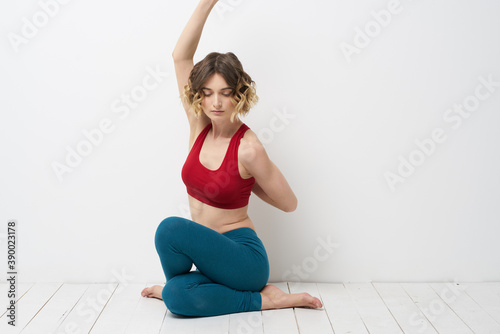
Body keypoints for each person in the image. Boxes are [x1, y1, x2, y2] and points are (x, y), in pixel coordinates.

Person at [141, 0, 322, 317]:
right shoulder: (199, 126)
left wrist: (247, 180)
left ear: (239, 94)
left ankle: (267, 299)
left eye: (225, 92)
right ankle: (179, 287)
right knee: (175, 298)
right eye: (208, 93)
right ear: (199, 95)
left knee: (169, 230)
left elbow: (289, 203)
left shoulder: (248, 148)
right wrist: (207, 3)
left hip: (243, 259)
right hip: (211, 261)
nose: (216, 102)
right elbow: (180, 57)